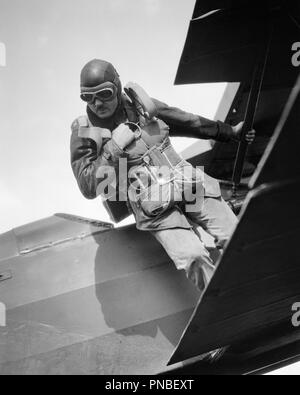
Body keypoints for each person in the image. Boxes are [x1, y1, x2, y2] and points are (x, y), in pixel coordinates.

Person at [71, 59, 255, 293]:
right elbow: (88, 185)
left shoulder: (141, 107)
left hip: (189, 186)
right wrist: (113, 148)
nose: (97, 103)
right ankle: (225, 303)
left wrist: (230, 132)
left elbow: (186, 121)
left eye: (104, 94)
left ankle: (255, 289)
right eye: (88, 97)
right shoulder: (85, 132)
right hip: (155, 207)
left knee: (235, 235)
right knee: (193, 257)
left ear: (116, 87)